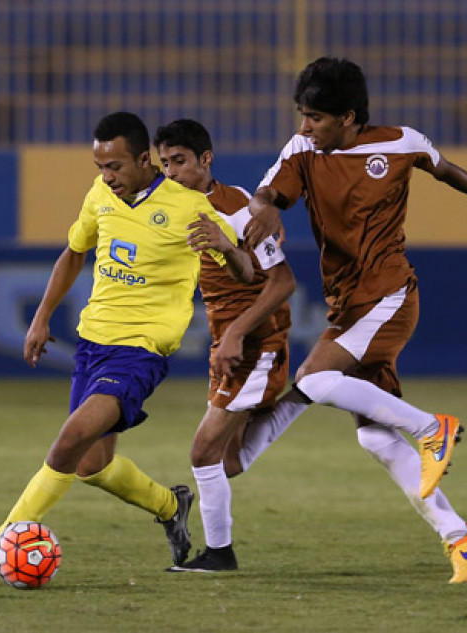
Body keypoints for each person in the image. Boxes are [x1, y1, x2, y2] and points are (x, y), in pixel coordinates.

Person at [0, 111, 253, 586]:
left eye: (116, 167)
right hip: (93, 345)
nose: (107, 176)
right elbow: (74, 252)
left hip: (140, 352)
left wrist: (227, 249)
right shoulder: (100, 195)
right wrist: (40, 317)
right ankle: (171, 505)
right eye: (100, 166)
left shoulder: (189, 208)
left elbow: (246, 272)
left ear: (144, 160)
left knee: (68, 441)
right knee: (90, 465)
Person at [242, 57, 467, 583]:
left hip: (389, 296)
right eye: (303, 115)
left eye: (316, 117)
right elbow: (266, 193)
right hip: (348, 305)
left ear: (348, 117)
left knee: (315, 379)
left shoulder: (398, 144)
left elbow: (443, 166)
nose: (305, 126)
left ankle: (430, 426)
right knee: (373, 436)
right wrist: (264, 207)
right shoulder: (301, 150)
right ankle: (460, 536)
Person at [153, 119, 300, 572]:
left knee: (203, 454)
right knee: (228, 461)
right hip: (228, 339)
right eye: (165, 164)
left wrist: (236, 332)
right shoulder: (173, 207)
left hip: (255, 340)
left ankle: (220, 554)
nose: (172, 172)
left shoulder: (237, 208)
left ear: (206, 159)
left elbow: (282, 282)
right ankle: (305, 394)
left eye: (179, 161)